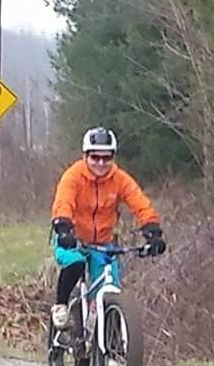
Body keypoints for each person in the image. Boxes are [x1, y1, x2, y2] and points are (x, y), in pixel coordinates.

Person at [48, 126, 167, 329]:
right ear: (85, 155)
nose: (101, 163)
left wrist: (153, 231)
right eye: (95, 157)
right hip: (71, 238)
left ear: (113, 157)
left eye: (107, 158)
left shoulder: (120, 179)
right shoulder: (73, 176)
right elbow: (64, 202)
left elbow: (140, 203)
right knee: (75, 263)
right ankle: (60, 305)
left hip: (103, 243)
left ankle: (109, 345)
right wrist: (63, 226)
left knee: (110, 289)